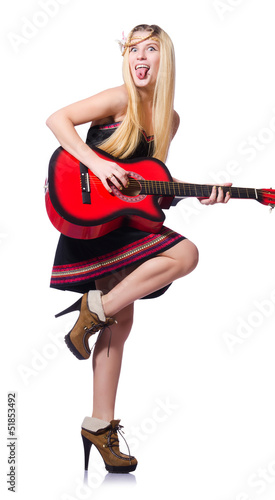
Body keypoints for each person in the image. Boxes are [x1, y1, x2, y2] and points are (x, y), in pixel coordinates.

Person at [46, 24, 231, 474]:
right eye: (133, 49)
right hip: (91, 213)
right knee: (185, 255)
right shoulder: (117, 98)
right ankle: (94, 309)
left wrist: (198, 192)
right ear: (126, 58)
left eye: (150, 49)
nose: (140, 57)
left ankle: (99, 425)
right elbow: (57, 119)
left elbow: (148, 182)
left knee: (120, 323)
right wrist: (98, 162)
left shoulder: (170, 119)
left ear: (164, 60)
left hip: (125, 219)